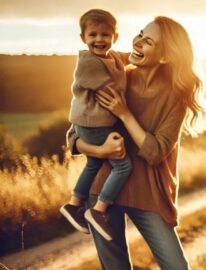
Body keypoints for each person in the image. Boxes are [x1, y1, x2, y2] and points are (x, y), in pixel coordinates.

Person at [66, 16, 206, 269]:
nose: (138, 41)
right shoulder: (114, 74)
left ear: (164, 56)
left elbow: (156, 151)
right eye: (140, 33)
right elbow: (74, 138)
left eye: (148, 41)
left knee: (176, 265)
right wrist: (100, 149)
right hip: (102, 193)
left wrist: (124, 114)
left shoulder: (176, 95)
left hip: (149, 194)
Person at [60, 8, 132, 242]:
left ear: (114, 37)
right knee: (122, 166)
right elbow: (112, 91)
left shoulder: (110, 56)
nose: (99, 40)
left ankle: (74, 203)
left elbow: (124, 59)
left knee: (93, 163)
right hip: (94, 124)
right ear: (83, 38)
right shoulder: (89, 63)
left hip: (90, 124)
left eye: (105, 35)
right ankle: (98, 210)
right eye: (93, 35)